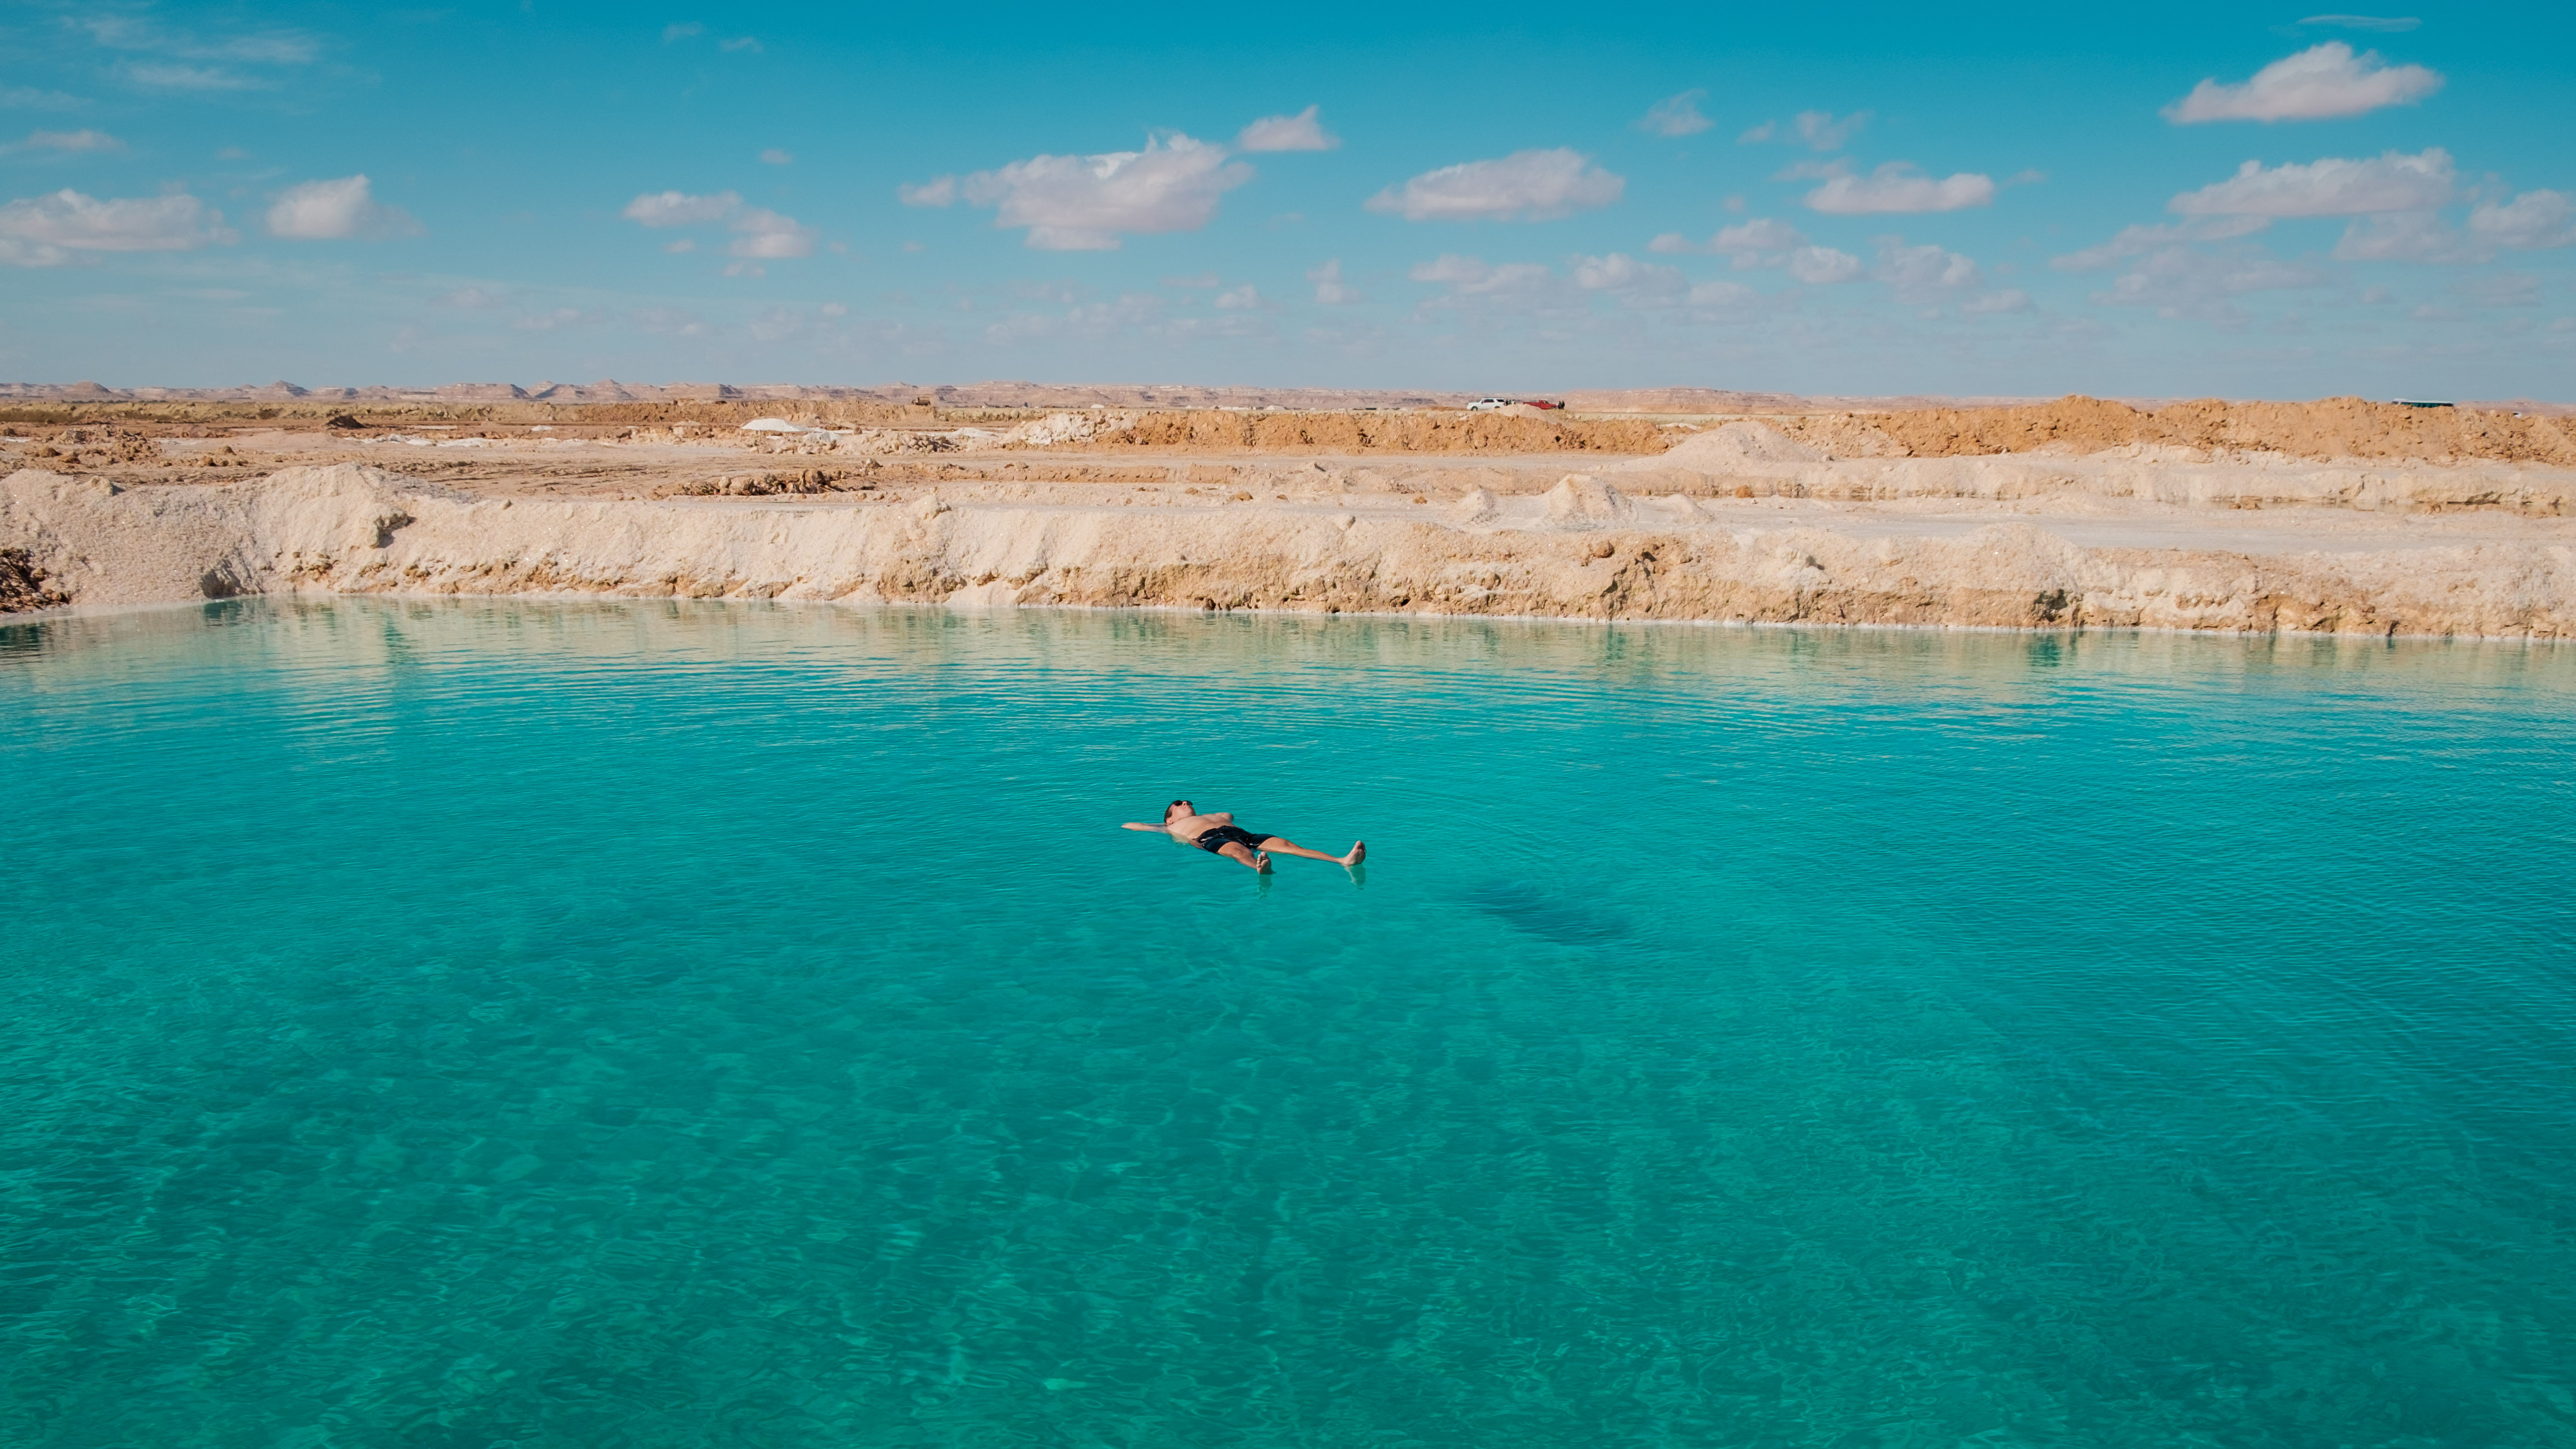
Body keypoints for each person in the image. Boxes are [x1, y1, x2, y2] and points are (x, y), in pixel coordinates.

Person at [1122, 799, 1365, 873]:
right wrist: (1169, 825)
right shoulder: (1168, 827)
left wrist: (1208, 816)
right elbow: (1130, 825)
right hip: (1208, 838)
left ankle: (1342, 860)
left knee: (1288, 845)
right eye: (1178, 804)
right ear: (1169, 818)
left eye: (1188, 801)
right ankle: (1259, 868)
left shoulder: (1214, 815)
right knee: (1239, 852)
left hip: (1242, 833)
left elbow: (1228, 814)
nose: (1185, 803)